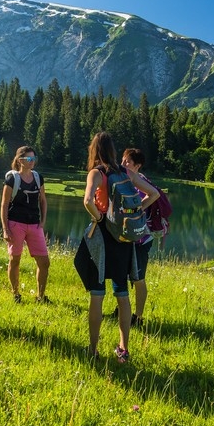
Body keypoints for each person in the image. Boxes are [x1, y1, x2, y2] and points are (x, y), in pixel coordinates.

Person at [75, 132, 159, 362]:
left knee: (97, 294)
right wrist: (135, 212)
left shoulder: (97, 173)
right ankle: (123, 349)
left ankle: (93, 350)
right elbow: (154, 194)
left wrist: (99, 218)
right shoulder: (126, 173)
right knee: (122, 295)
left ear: (94, 150)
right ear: (112, 150)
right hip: (123, 238)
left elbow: (87, 200)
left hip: (102, 238)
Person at [0, 145, 50, 303]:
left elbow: (43, 200)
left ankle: (40, 297)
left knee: (44, 262)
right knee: (15, 260)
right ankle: (16, 294)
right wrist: (5, 229)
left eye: (34, 158)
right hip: (16, 224)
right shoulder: (12, 179)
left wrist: (42, 221)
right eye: (29, 159)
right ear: (20, 160)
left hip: (35, 225)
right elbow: (4, 205)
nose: (32, 161)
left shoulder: (38, 178)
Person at [121, 147, 155, 328]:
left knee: (138, 278)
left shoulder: (141, 182)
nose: (123, 164)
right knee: (123, 275)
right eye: (123, 160)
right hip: (127, 238)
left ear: (138, 166)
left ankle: (138, 317)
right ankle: (122, 310)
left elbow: (151, 198)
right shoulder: (126, 181)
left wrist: (136, 210)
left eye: (127, 162)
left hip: (141, 240)